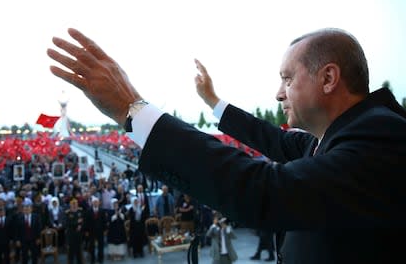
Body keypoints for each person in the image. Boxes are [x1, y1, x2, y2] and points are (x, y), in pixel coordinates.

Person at [48, 28, 406, 263]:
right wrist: (215, 102)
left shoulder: (380, 139)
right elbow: (275, 141)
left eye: (287, 78)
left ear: (328, 77)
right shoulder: (333, 139)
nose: (279, 93)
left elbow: (266, 190)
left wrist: (134, 109)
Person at [64, 198, 84, 264]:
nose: (74, 205)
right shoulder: (68, 213)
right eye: (73, 204)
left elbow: (83, 221)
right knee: (71, 252)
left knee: (79, 251)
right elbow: (67, 223)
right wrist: (77, 222)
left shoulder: (80, 211)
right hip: (71, 235)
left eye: (75, 203)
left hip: (79, 235)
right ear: (70, 205)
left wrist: (81, 225)